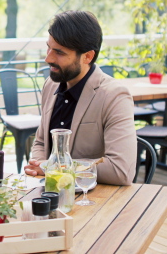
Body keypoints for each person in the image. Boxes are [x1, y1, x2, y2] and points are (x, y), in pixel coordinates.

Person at [24, 10, 137, 185]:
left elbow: (120, 170)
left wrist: (52, 168)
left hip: (97, 200)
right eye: (48, 47)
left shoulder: (114, 96)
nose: (48, 58)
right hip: (52, 194)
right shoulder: (50, 84)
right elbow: (40, 142)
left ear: (87, 57)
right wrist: (39, 165)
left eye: (59, 53)